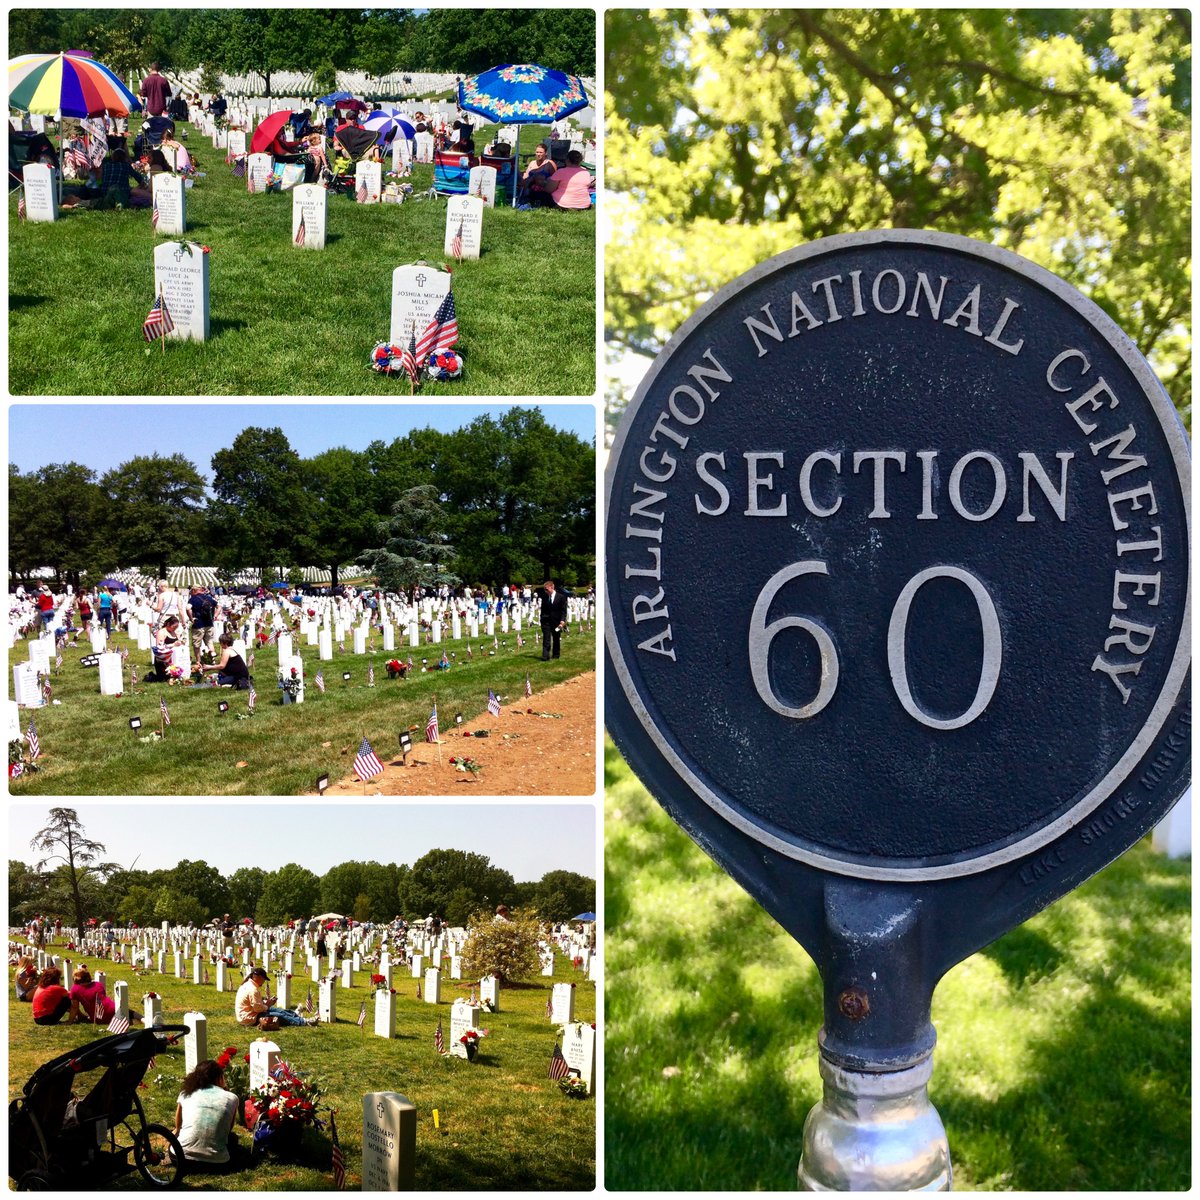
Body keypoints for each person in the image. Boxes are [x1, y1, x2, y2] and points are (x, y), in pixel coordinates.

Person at [174, 1060, 242, 1171]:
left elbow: (178, 1125)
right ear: (219, 1078)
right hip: (217, 1163)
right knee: (232, 1138)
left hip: (180, 1158)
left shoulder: (186, 1093)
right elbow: (227, 1129)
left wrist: (177, 1131)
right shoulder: (232, 1098)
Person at [235, 967, 317, 1028]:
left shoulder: (247, 985)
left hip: (248, 1013)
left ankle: (296, 1015)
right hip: (250, 1018)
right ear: (259, 977)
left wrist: (266, 1003)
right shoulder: (253, 989)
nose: (264, 982)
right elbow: (257, 1009)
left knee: (278, 1010)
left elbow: (254, 1004)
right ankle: (304, 1021)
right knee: (278, 1015)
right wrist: (268, 1005)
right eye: (264, 979)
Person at [539, 579, 568, 660]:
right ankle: (545, 656)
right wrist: (542, 619)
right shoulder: (545, 597)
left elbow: (563, 610)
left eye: (546, 589)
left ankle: (556, 655)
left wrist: (562, 621)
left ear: (552, 587)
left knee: (556, 638)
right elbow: (543, 609)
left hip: (556, 621)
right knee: (546, 638)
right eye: (544, 589)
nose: (545, 591)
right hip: (546, 621)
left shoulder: (561, 597)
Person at [149, 615, 183, 681]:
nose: (175, 629)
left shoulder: (174, 632)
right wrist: (173, 645)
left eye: (176, 627)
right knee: (165, 678)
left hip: (173, 657)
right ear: (168, 624)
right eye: (174, 627)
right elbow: (159, 648)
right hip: (163, 659)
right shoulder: (161, 632)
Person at [188, 586, 216, 661]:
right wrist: (215, 616)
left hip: (198, 624)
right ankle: (212, 659)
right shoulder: (209, 598)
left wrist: (191, 618)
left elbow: (188, 608)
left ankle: (198, 661)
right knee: (209, 642)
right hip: (209, 623)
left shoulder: (193, 599)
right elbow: (219, 606)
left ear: (194, 590)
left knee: (196, 644)